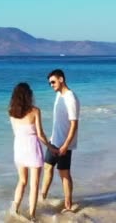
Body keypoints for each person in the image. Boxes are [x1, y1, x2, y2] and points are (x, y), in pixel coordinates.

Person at [8, 82, 57, 221]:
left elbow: (15, 132)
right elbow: (40, 134)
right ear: (28, 95)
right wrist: (50, 146)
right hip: (32, 148)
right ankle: (32, 216)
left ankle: (15, 209)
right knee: (34, 184)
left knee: (22, 181)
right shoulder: (35, 111)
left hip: (18, 147)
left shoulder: (11, 112)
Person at [41, 69, 80, 212]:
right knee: (47, 167)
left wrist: (66, 145)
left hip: (65, 143)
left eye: (53, 82)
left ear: (61, 79)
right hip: (54, 140)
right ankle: (42, 198)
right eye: (49, 83)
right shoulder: (59, 95)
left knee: (64, 173)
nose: (51, 85)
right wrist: (52, 138)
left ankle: (68, 205)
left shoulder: (70, 98)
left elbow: (74, 125)